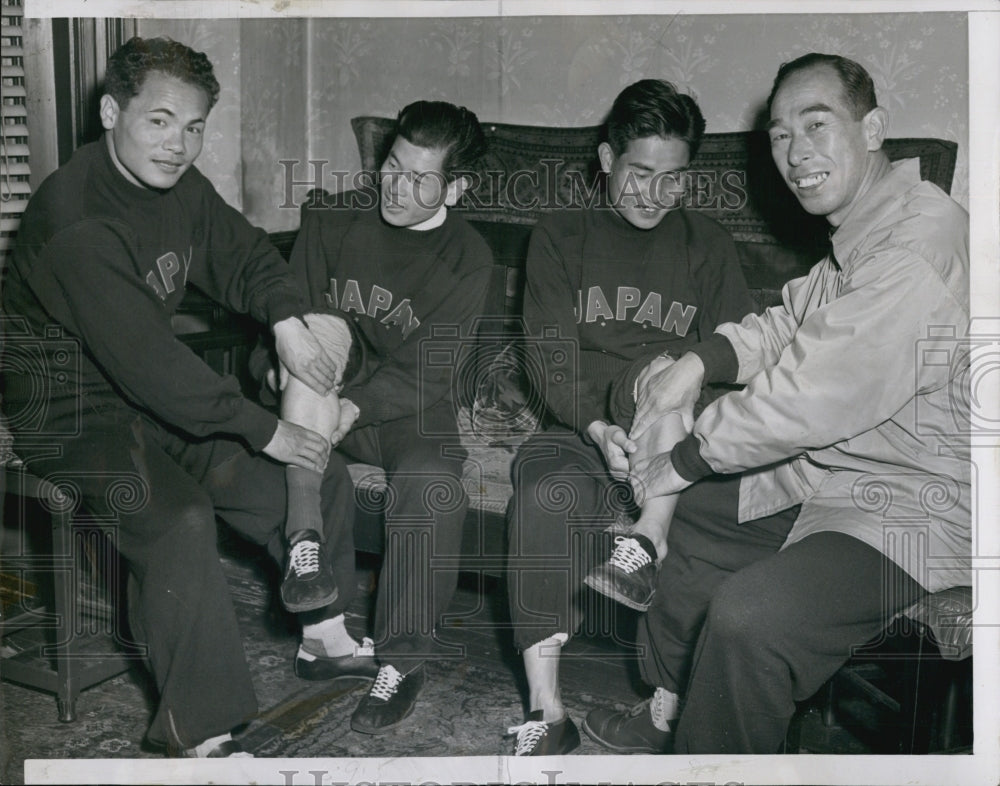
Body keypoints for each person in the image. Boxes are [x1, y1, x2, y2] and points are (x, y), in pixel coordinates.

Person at [583, 52, 971, 754]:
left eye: (816, 126)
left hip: (914, 507)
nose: (796, 154)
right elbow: (789, 323)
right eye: (781, 137)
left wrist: (683, 457)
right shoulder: (864, 233)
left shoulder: (917, 244)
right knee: (691, 516)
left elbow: (814, 396)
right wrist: (698, 360)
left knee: (747, 616)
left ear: (874, 127)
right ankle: (671, 710)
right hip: (835, 477)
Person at [0, 37, 372, 758]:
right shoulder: (75, 221)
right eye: (159, 121)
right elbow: (153, 368)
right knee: (178, 519)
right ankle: (199, 729)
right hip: (70, 418)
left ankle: (324, 634)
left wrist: (287, 322)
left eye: (194, 127)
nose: (178, 144)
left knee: (320, 476)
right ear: (112, 112)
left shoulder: (179, 186)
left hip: (149, 402)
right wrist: (264, 430)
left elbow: (246, 255)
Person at [504, 79, 759, 756]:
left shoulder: (708, 244)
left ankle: (668, 701)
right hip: (579, 426)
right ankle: (546, 709)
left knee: (673, 386)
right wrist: (598, 428)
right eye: (639, 174)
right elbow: (548, 359)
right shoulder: (561, 235)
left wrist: (665, 399)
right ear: (606, 158)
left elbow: (736, 353)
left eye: (673, 179)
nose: (654, 195)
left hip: (677, 428)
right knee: (541, 496)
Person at [282, 100, 493, 734]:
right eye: (392, 168)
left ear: (455, 188)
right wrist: (286, 378)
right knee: (287, 434)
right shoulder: (332, 222)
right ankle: (318, 619)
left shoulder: (469, 258)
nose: (396, 188)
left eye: (420, 179)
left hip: (406, 410)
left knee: (431, 486)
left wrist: (356, 406)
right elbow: (293, 318)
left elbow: (431, 370)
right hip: (321, 395)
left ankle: (400, 661)